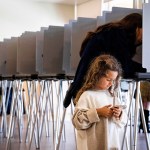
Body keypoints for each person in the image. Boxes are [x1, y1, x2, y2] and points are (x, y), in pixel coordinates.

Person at [63, 13, 146, 108]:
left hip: (84, 82)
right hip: (90, 85)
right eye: (145, 31)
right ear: (137, 27)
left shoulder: (111, 32)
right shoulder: (118, 35)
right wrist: (145, 69)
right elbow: (124, 66)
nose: (145, 37)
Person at [72, 54, 127, 150]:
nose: (111, 83)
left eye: (113, 80)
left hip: (111, 143)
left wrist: (119, 114)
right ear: (97, 75)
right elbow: (77, 121)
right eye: (108, 79)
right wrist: (98, 112)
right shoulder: (87, 95)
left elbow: (123, 122)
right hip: (92, 145)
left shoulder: (112, 96)